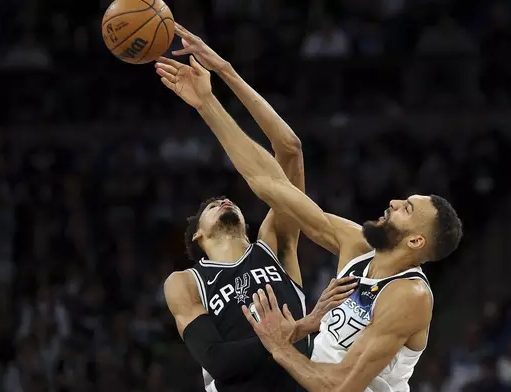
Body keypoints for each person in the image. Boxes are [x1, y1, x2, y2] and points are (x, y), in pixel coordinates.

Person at [155, 42, 463, 392]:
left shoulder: (410, 295)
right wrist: (215, 90)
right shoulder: (356, 245)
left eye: (407, 209)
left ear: (416, 241)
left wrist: (283, 341)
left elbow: (338, 386)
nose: (393, 202)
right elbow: (269, 181)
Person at [162, 28, 358, 392]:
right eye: (210, 206)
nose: (224, 201)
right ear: (198, 235)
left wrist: (221, 76)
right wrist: (300, 327)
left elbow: (290, 150)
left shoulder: (274, 245)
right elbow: (219, 362)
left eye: (227, 200)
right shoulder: (186, 283)